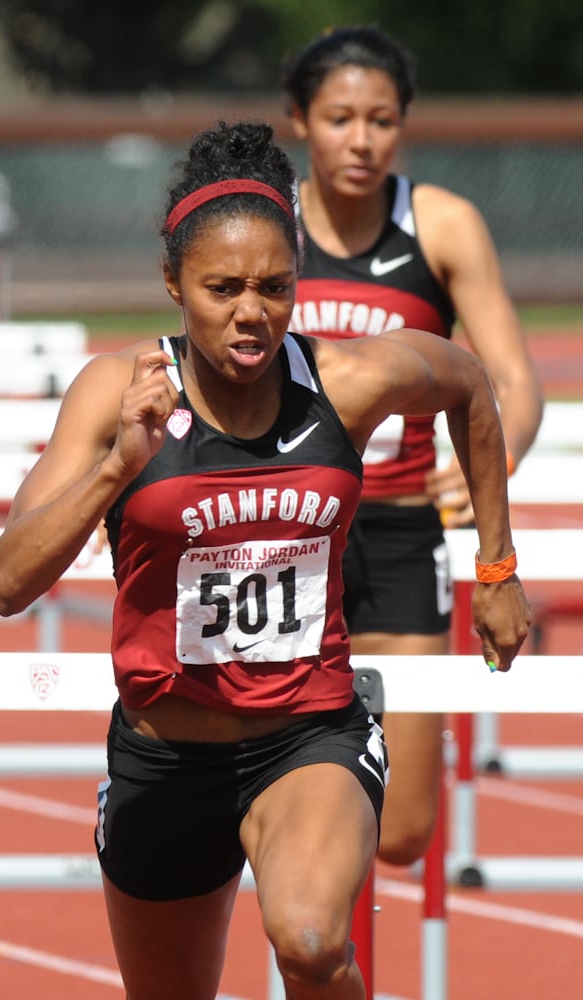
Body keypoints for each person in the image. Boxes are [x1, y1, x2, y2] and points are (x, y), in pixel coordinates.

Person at [0, 120, 531, 1000]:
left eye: (276, 288)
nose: (253, 313)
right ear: (172, 283)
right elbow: (9, 583)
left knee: (310, 942)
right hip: (164, 756)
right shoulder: (113, 392)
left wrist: (496, 571)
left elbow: (466, 382)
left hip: (306, 736)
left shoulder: (343, 385)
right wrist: (119, 468)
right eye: (224, 288)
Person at [281, 25, 544, 866]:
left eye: (381, 119)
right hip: (280, 534)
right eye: (338, 118)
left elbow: (512, 382)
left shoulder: (440, 225)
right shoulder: (263, 224)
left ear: (403, 125)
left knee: (399, 831)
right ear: (298, 121)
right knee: (269, 792)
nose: (360, 140)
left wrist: (490, 471)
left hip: (398, 532)